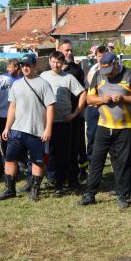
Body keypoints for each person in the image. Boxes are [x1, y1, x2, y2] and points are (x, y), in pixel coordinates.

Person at [79, 52, 131, 210]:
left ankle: (123, 195)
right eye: (104, 71)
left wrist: (123, 99)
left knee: (123, 162)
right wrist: (102, 99)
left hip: (125, 127)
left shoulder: (130, 74)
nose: (107, 74)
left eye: (109, 71)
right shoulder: (98, 75)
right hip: (103, 126)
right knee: (96, 160)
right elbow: (89, 99)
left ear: (116, 64)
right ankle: (90, 194)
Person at [0, 53, 56, 202]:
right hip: (17, 130)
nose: (25, 68)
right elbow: (12, 107)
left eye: (28, 65)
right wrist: (7, 127)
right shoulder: (16, 84)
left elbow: (50, 107)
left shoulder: (43, 84)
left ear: (34, 66)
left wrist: (48, 129)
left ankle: (35, 190)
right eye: (22, 65)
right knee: (10, 159)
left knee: (37, 161)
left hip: (36, 131)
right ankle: (10, 189)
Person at [40, 50, 86, 195]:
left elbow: (83, 94)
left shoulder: (69, 78)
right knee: (48, 152)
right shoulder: (43, 76)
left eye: (59, 62)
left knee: (63, 154)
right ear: (49, 61)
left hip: (63, 122)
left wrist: (74, 114)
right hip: (46, 123)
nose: (56, 65)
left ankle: (61, 183)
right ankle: (50, 179)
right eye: (53, 62)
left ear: (63, 63)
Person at [59, 40, 88, 182]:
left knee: (77, 143)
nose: (70, 53)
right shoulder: (50, 70)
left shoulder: (77, 70)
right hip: (58, 114)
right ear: (59, 51)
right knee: (60, 144)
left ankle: (80, 171)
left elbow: (83, 93)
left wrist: (78, 112)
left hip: (75, 113)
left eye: (71, 50)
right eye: (66, 50)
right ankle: (59, 174)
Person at [84, 45, 107, 158]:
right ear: (96, 56)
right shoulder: (92, 70)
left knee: (108, 135)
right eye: (99, 56)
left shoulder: (114, 69)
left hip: (107, 107)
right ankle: (91, 160)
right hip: (93, 107)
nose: (101, 58)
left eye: (104, 56)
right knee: (92, 134)